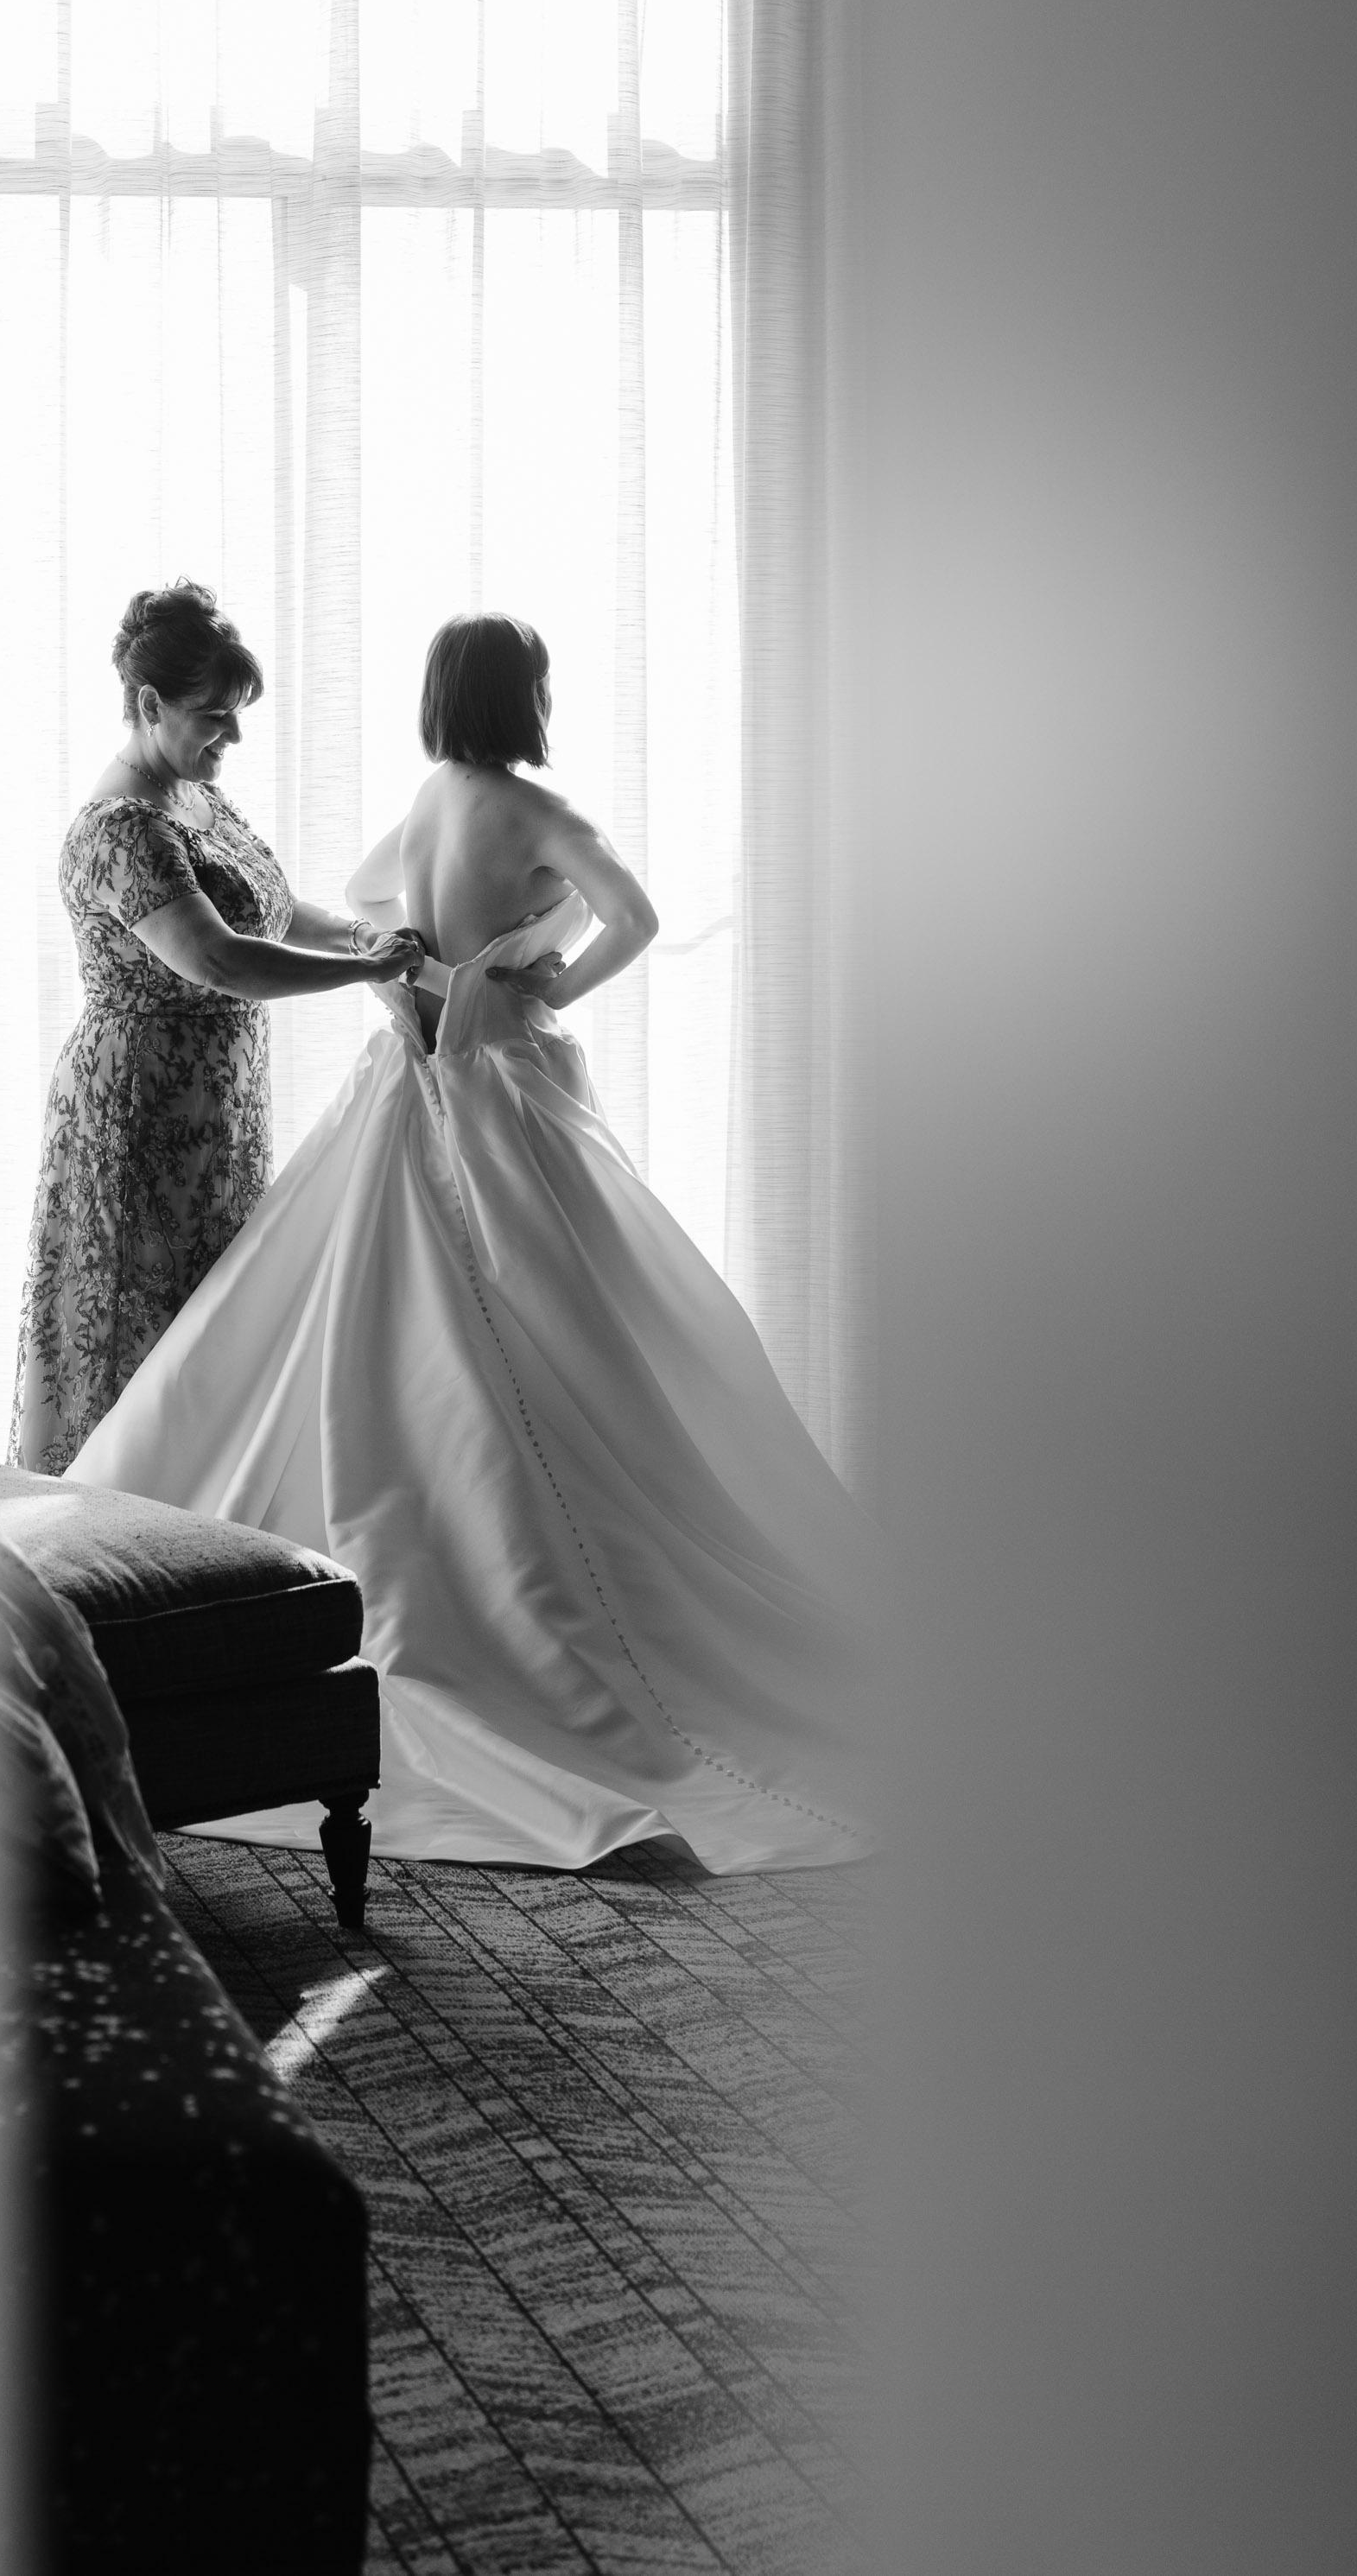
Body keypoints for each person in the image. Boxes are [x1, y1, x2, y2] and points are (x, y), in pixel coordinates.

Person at [69, 612, 877, 1873]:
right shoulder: (535, 812)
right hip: (502, 1086)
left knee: (372, 1324)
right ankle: (529, 1572)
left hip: (405, 1083)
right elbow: (637, 916)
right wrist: (548, 978)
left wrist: (411, 967)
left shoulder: (431, 797)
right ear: (526, 697)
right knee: (573, 1330)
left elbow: (368, 900)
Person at [10, 581, 422, 1475]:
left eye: (237, 714)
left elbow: (269, 907)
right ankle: (108, 1525)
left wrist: (360, 937)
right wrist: (366, 973)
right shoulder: (121, 828)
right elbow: (221, 957)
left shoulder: (194, 795)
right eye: (213, 716)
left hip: (215, 1115)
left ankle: (198, 1528)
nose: (231, 736)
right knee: (137, 1330)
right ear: (148, 704)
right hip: (139, 1116)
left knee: (207, 1331)